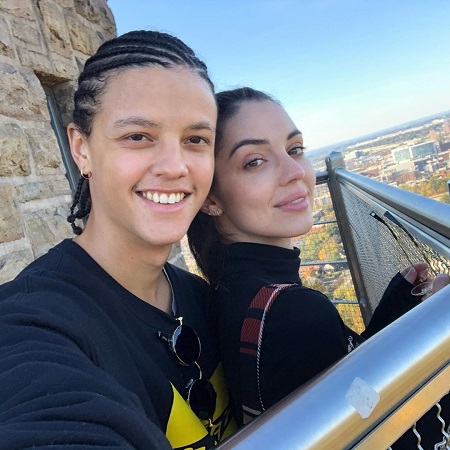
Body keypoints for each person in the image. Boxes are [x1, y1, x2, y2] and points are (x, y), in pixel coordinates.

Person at [0, 31, 236, 449]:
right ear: (82, 148)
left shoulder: (202, 297)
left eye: (195, 140)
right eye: (138, 136)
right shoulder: (30, 322)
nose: (174, 166)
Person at [187, 87, 449, 446]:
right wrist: (438, 324)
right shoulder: (292, 313)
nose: (295, 171)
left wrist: (398, 304)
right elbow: (392, 432)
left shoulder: (229, 293)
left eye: (295, 149)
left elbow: (345, 395)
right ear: (211, 197)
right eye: (255, 161)